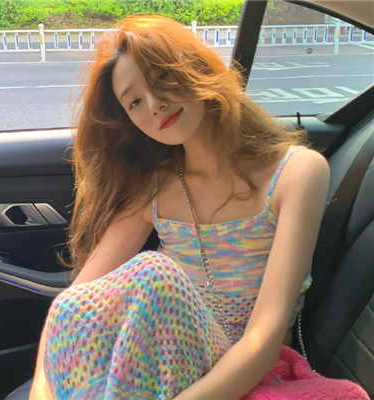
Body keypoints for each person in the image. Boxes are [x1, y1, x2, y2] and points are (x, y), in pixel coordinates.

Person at [29, 15, 369, 400]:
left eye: (162, 78)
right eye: (135, 101)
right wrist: (42, 390)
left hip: (238, 370)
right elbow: (74, 305)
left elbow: (262, 340)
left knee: (153, 273)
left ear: (195, 67)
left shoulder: (296, 172)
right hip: (154, 364)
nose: (154, 105)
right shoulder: (152, 186)